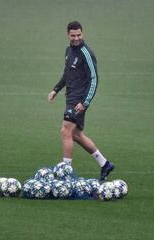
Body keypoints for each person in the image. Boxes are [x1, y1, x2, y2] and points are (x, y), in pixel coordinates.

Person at [48, 21, 114, 181]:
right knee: (76, 135)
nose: (76, 38)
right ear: (68, 35)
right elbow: (67, 74)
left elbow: (94, 79)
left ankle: (66, 173)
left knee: (65, 131)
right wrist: (56, 89)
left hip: (79, 100)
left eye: (79, 35)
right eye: (73, 35)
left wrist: (85, 102)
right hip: (70, 97)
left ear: (82, 34)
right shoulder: (68, 51)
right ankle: (105, 164)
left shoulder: (86, 53)